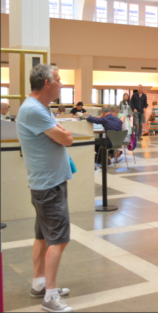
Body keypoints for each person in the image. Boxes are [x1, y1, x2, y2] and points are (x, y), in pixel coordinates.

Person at [16, 64, 73, 312]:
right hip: (48, 186)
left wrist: (60, 132)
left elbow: (60, 135)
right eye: (59, 80)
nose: (62, 84)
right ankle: (50, 296)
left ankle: (39, 283)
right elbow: (67, 138)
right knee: (58, 240)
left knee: (43, 236)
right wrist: (62, 133)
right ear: (47, 84)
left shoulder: (40, 108)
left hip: (48, 183)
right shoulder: (34, 110)